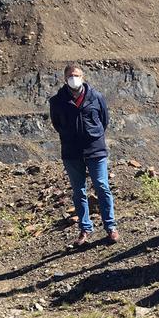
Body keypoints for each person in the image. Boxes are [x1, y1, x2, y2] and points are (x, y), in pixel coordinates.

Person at [49, 64, 118, 247]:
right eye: (71, 76)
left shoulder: (96, 97)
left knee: (102, 186)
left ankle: (110, 227)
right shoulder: (57, 101)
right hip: (72, 153)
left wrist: (92, 136)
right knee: (79, 191)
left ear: (83, 77)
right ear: (65, 78)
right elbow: (57, 124)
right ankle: (85, 229)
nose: (74, 78)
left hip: (95, 150)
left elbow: (104, 121)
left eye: (77, 75)